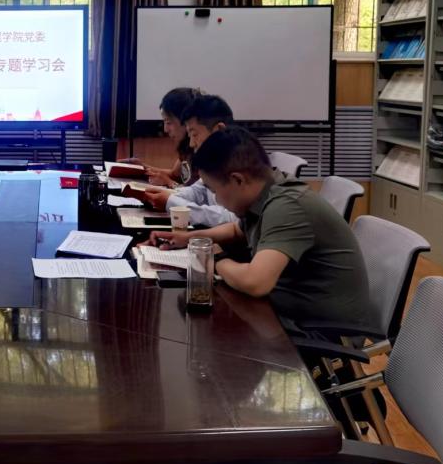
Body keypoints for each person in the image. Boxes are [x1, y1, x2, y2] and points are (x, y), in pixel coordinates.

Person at [148, 127, 368, 327]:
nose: (218, 200)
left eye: (215, 191)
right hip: (289, 312)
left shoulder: (287, 206)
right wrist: (190, 238)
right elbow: (237, 231)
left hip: (323, 329)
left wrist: (215, 258)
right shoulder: (266, 190)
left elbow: (255, 283)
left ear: (238, 180)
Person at [141, 94, 237, 228]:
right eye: (190, 135)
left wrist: (170, 202)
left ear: (219, 130)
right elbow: (196, 191)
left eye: (194, 134)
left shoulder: (240, 162)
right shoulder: (213, 161)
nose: (191, 143)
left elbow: (230, 218)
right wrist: (163, 195)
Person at [121, 87, 201, 187]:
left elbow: (201, 195)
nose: (165, 129)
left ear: (186, 121)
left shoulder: (203, 150)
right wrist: (141, 167)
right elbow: (174, 175)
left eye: (169, 122)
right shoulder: (186, 148)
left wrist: (170, 183)